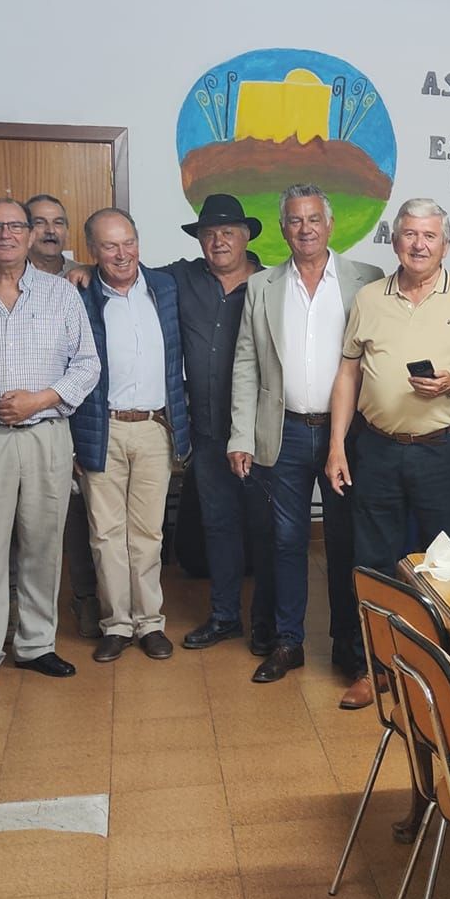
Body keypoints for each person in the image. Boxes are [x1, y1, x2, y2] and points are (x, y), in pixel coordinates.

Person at [230, 185, 385, 701]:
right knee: (286, 542)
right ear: (282, 228)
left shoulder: (367, 280)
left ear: (330, 223)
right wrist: (240, 435)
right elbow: (247, 363)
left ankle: (348, 648)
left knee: (345, 543)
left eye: (313, 218)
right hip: (285, 430)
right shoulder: (262, 287)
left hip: (349, 434)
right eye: (294, 220)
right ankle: (288, 642)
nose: (305, 228)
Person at [0, 197, 100, 688]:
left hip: (46, 435)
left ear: (31, 236)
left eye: (17, 226)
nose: (6, 235)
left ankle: (36, 645)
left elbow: (87, 363)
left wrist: (40, 400)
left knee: (42, 544)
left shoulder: (60, 294)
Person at [329, 198, 450, 570]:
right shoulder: (369, 298)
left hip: (443, 450)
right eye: (410, 234)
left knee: (446, 559)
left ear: (445, 246)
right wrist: (337, 445)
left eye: (429, 236)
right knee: (373, 558)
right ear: (394, 241)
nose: (419, 244)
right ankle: (375, 629)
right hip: (376, 450)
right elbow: (347, 374)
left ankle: (439, 631)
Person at [71, 209, 192, 663]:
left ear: (139, 242)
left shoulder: (165, 287)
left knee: (148, 533)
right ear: (92, 252)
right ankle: (117, 624)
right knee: (105, 534)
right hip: (102, 427)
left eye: (128, 243)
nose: (121, 254)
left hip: (155, 429)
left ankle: (150, 623)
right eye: (108, 246)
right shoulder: (80, 296)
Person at [168, 194, 275, 657]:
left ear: (247, 235)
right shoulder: (182, 278)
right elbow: (125, 273)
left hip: (264, 432)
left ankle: (270, 625)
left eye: (228, 232)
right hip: (209, 432)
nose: (218, 241)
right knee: (219, 526)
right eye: (209, 233)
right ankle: (226, 616)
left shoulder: (275, 283)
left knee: (272, 531)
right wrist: (83, 270)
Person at [26, 193, 102, 637]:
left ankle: (85, 598)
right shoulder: (7, 279)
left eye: (58, 222)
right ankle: (24, 612)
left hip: (82, 413)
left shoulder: (88, 277)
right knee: (27, 523)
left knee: (81, 516)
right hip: (29, 419)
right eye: (40, 222)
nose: (51, 230)